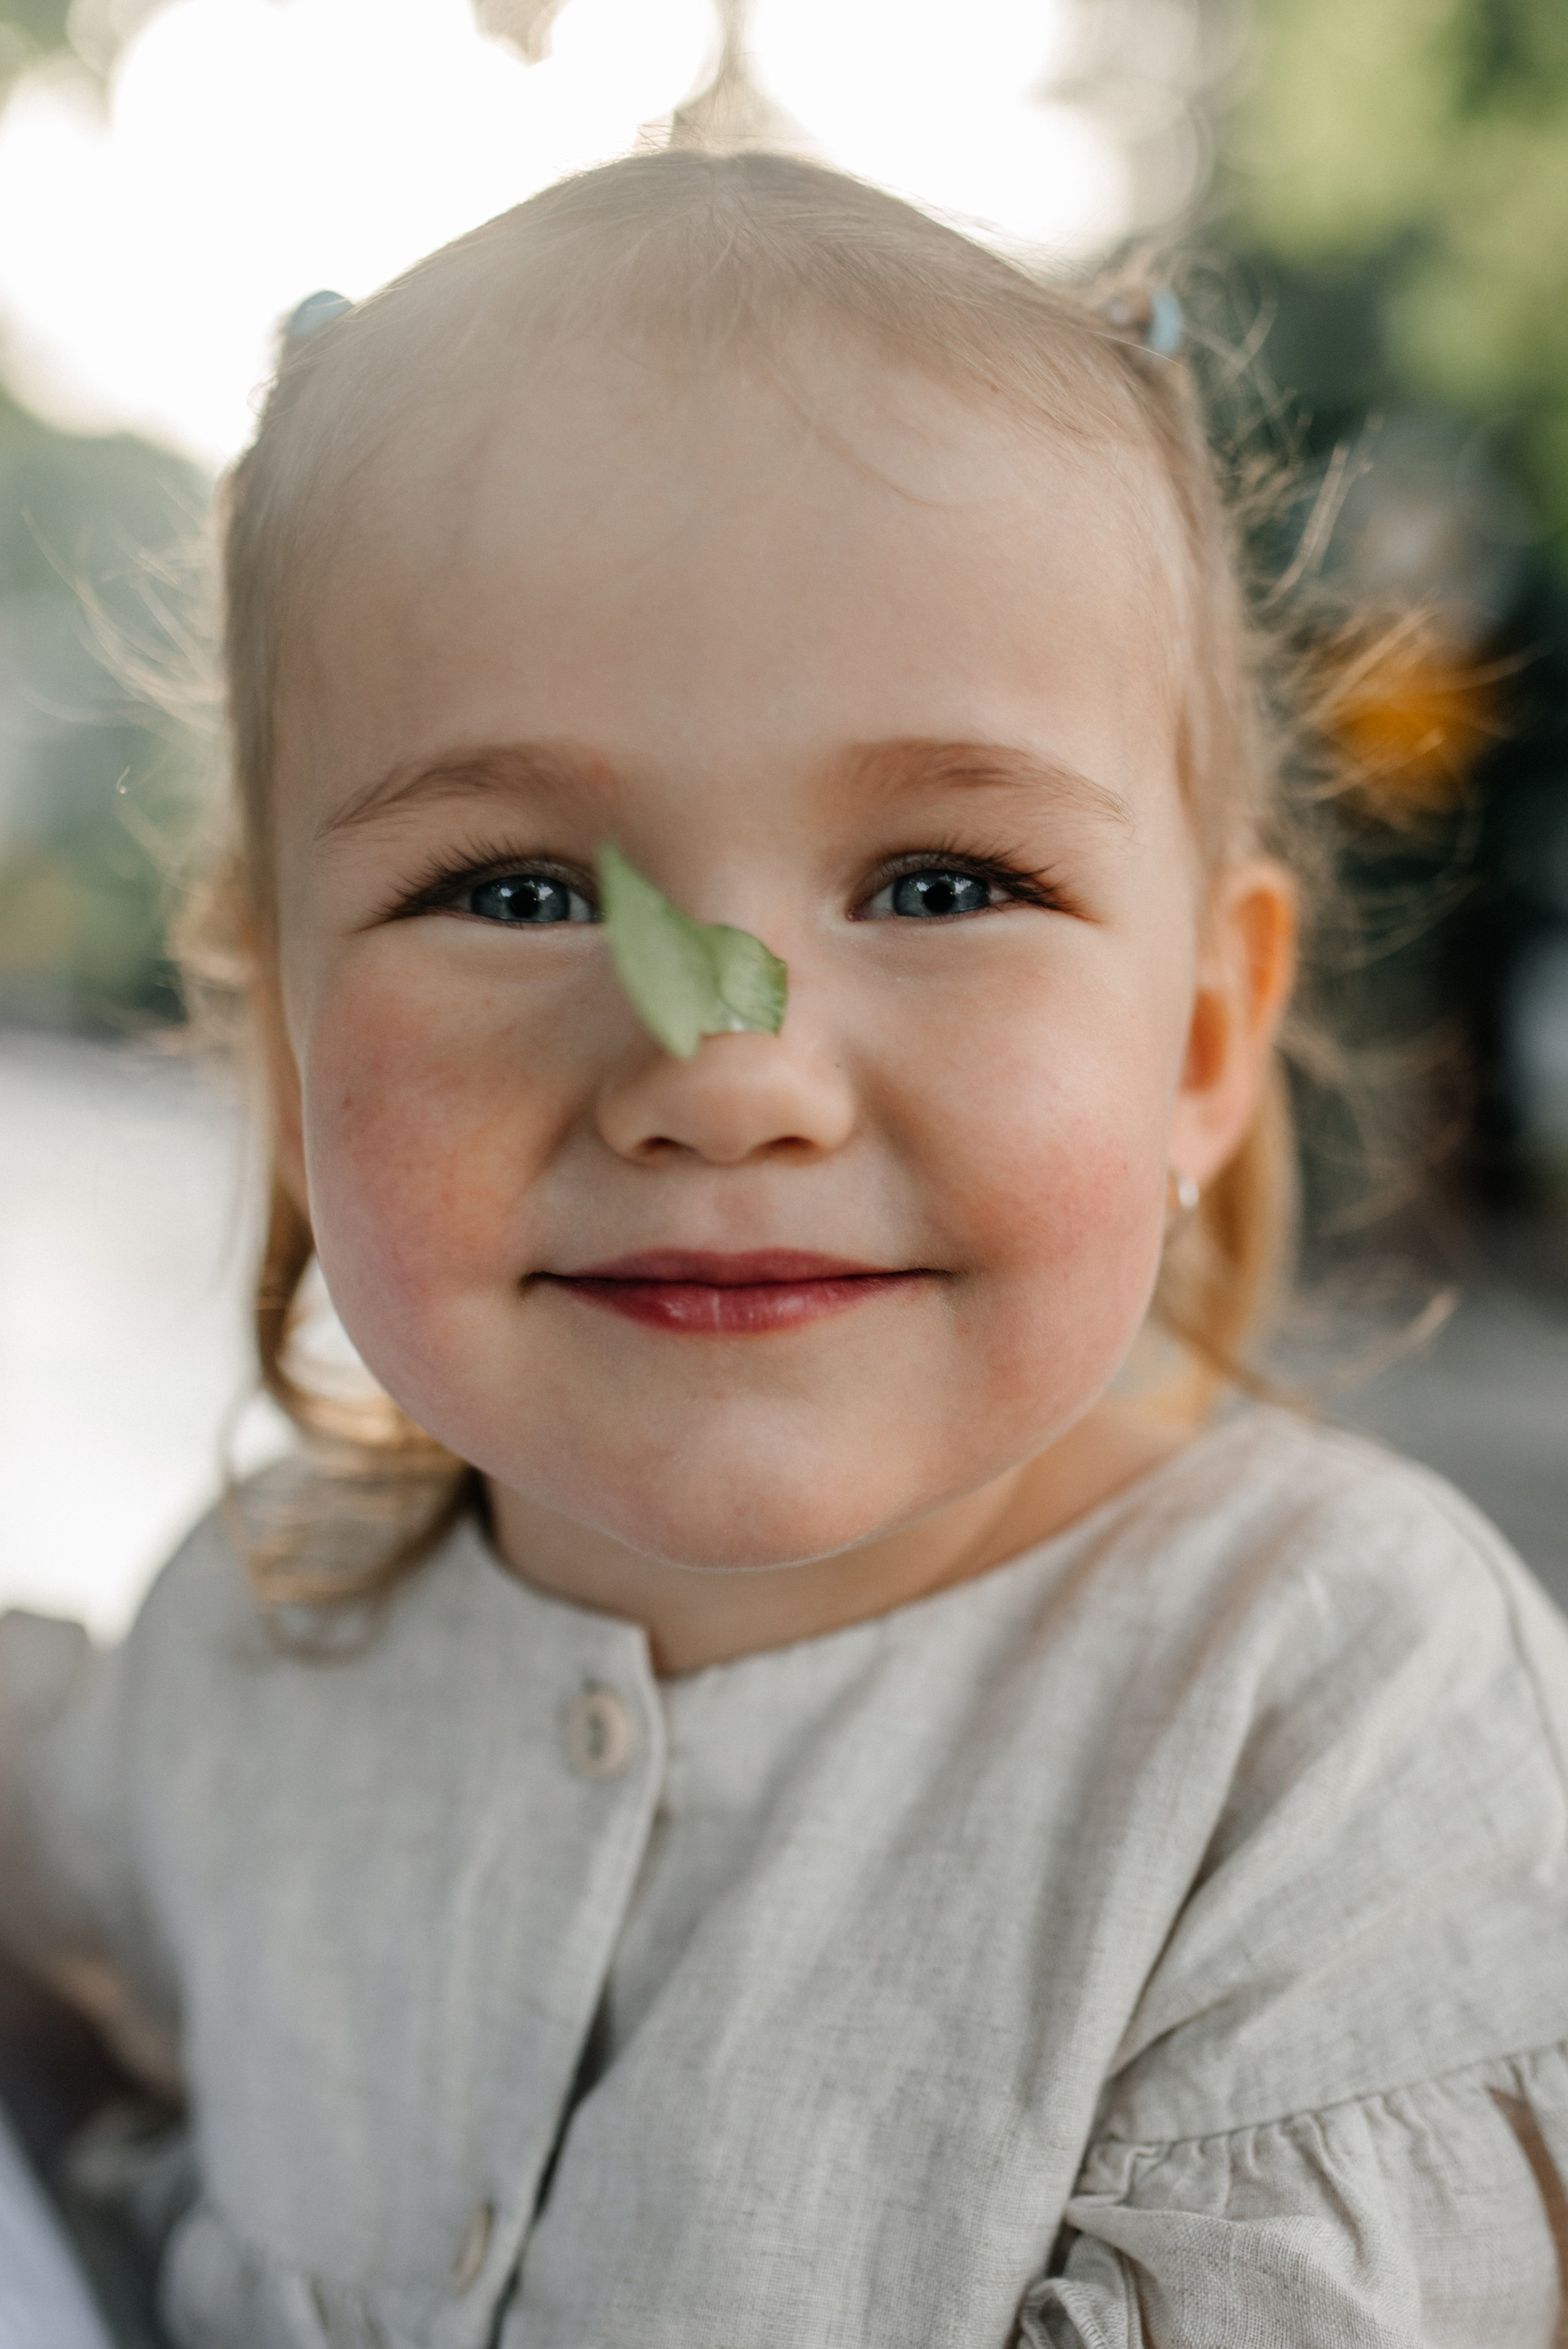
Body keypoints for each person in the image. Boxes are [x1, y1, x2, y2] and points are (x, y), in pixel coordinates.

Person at [3, 149, 1567, 2349]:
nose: (727, 1074)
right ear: (284, 1024)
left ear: (1202, 1038)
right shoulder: (252, 1647)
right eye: (521, 889)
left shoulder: (1332, 1719)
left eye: (939, 881)